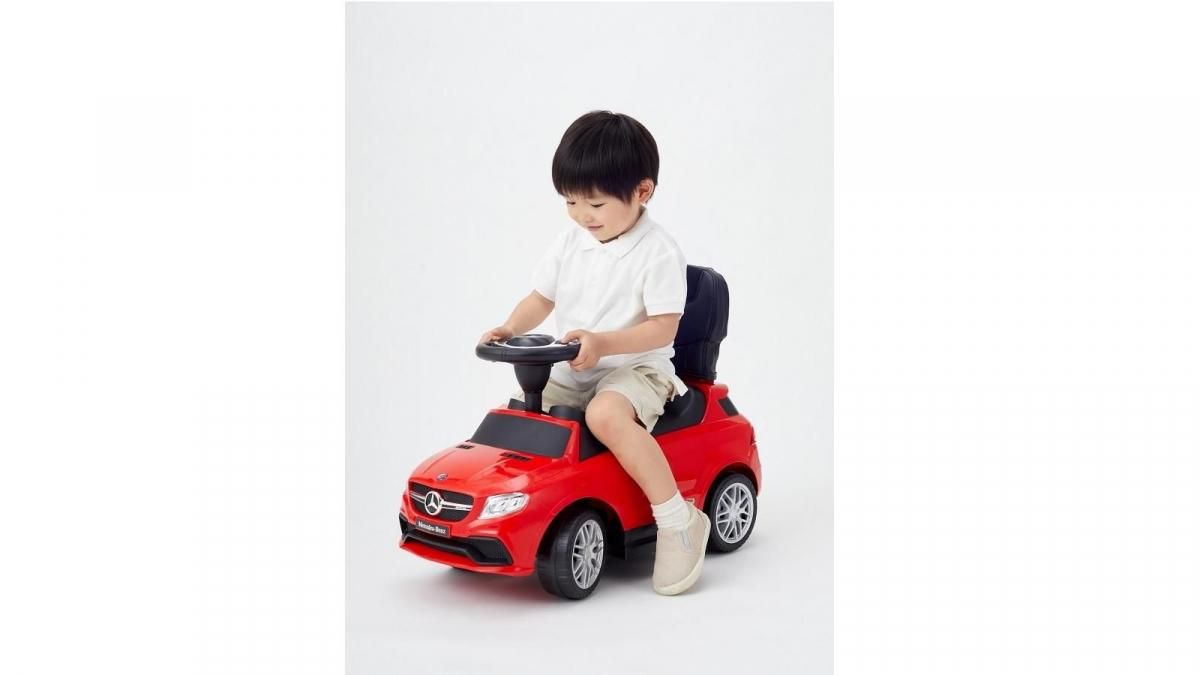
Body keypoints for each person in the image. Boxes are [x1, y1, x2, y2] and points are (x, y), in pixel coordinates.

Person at [477, 110, 710, 596]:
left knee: (605, 415)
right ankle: (502, 511)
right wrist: (510, 327)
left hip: (639, 369)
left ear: (642, 191)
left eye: (596, 203)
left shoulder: (659, 251)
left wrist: (604, 343)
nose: (583, 215)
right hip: (575, 368)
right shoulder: (571, 242)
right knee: (519, 417)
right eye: (570, 201)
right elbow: (540, 297)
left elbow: (663, 327)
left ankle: (677, 520)